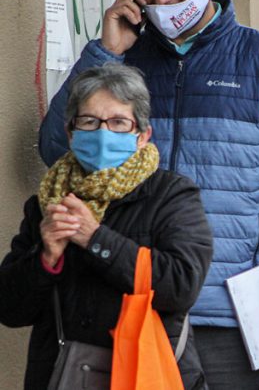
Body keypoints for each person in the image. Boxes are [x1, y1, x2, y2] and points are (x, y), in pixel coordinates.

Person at [38, 0, 259, 388]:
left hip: (230, 317)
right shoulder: (123, 61)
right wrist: (105, 51)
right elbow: (56, 148)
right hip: (133, 302)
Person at [1, 64, 213, 389]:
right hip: (61, 374)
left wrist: (96, 238)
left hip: (144, 375)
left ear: (142, 135)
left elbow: (181, 286)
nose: (103, 133)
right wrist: (46, 259)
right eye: (89, 121)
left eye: (118, 122)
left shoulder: (170, 195)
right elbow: (11, 309)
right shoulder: (47, 202)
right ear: (71, 133)